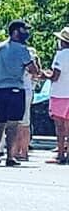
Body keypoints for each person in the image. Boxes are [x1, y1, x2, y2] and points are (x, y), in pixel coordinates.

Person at [0, 20, 41, 167]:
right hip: (16, 88)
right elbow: (33, 70)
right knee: (13, 125)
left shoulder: (0, 47)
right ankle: (10, 157)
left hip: (0, 88)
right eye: (24, 30)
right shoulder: (22, 49)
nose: (26, 33)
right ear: (16, 32)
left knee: (0, 123)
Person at [47, 27, 69, 164]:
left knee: (60, 127)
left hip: (59, 94)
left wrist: (45, 75)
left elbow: (55, 76)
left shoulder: (60, 55)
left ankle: (61, 154)